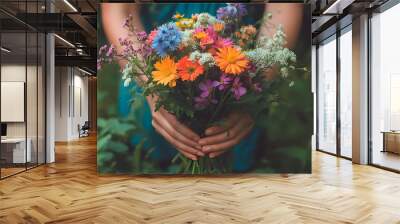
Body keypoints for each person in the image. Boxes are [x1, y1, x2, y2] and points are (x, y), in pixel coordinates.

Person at [101, 3, 303, 172]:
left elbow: (283, 6)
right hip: (156, 74)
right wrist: (153, 90)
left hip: (237, 81)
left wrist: (254, 87)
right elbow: (118, 9)